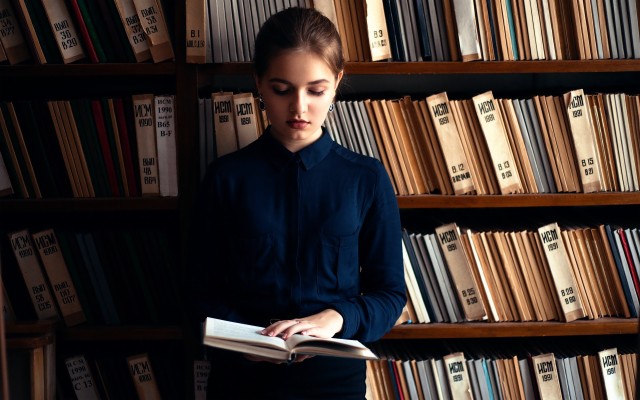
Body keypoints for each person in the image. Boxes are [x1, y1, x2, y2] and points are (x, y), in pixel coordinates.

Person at [190, 6, 406, 399]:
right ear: (258, 82)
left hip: (334, 382)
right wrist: (247, 337)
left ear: (338, 83)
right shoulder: (226, 178)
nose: (299, 108)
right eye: (282, 89)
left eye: (316, 90)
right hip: (242, 381)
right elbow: (198, 289)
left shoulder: (367, 178)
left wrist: (336, 317)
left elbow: (389, 293)